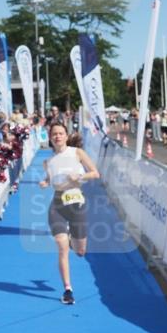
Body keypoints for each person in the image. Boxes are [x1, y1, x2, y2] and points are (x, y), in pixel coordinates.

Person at [38, 121, 100, 305]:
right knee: (61, 245)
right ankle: (67, 289)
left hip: (76, 204)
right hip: (57, 205)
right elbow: (51, 179)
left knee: (80, 251)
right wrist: (45, 182)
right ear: (50, 138)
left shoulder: (77, 153)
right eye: (54, 134)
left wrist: (79, 176)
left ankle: (75, 242)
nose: (57, 136)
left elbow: (95, 173)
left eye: (60, 133)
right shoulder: (47, 162)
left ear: (66, 136)